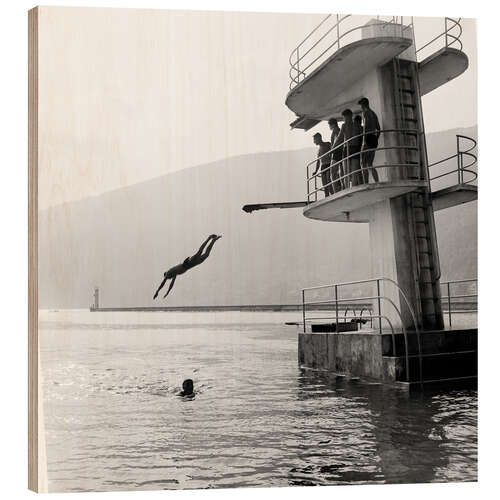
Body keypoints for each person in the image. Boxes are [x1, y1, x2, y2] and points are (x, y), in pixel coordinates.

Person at [153, 234, 222, 299]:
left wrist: (157, 291)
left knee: (199, 252)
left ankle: (209, 238)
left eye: (168, 278)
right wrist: (168, 292)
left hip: (187, 263)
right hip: (190, 266)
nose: (169, 279)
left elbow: (162, 283)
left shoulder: (168, 273)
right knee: (206, 255)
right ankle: (213, 240)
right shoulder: (174, 275)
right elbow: (172, 284)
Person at [332, 109, 363, 187]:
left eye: (345, 117)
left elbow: (339, 138)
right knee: (350, 173)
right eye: (344, 118)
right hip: (352, 149)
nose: (345, 119)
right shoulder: (357, 125)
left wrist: (332, 148)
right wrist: (333, 148)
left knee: (350, 173)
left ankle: (349, 190)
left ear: (350, 116)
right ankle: (349, 190)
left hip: (350, 149)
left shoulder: (345, 125)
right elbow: (361, 137)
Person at [358, 97, 381, 183]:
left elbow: (365, 127)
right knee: (370, 164)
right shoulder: (374, 114)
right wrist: (376, 138)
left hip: (367, 138)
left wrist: (364, 141)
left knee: (362, 163)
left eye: (361, 105)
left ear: (363, 105)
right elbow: (379, 129)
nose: (361, 107)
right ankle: (377, 182)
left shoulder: (365, 113)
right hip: (374, 138)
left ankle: (366, 183)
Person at [312, 133, 333, 197]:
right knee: (325, 186)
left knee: (329, 183)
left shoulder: (328, 144)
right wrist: (315, 171)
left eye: (315, 139)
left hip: (329, 164)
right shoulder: (318, 150)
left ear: (319, 138)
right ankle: (327, 198)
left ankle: (333, 195)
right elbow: (318, 161)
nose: (314, 141)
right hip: (323, 167)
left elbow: (333, 152)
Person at [328, 118, 343, 193]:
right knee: (340, 171)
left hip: (336, 152)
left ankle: (336, 191)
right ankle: (342, 188)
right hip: (339, 152)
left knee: (332, 173)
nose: (329, 127)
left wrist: (331, 150)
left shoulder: (335, 130)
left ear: (333, 124)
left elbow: (336, 141)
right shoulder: (339, 130)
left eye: (329, 125)